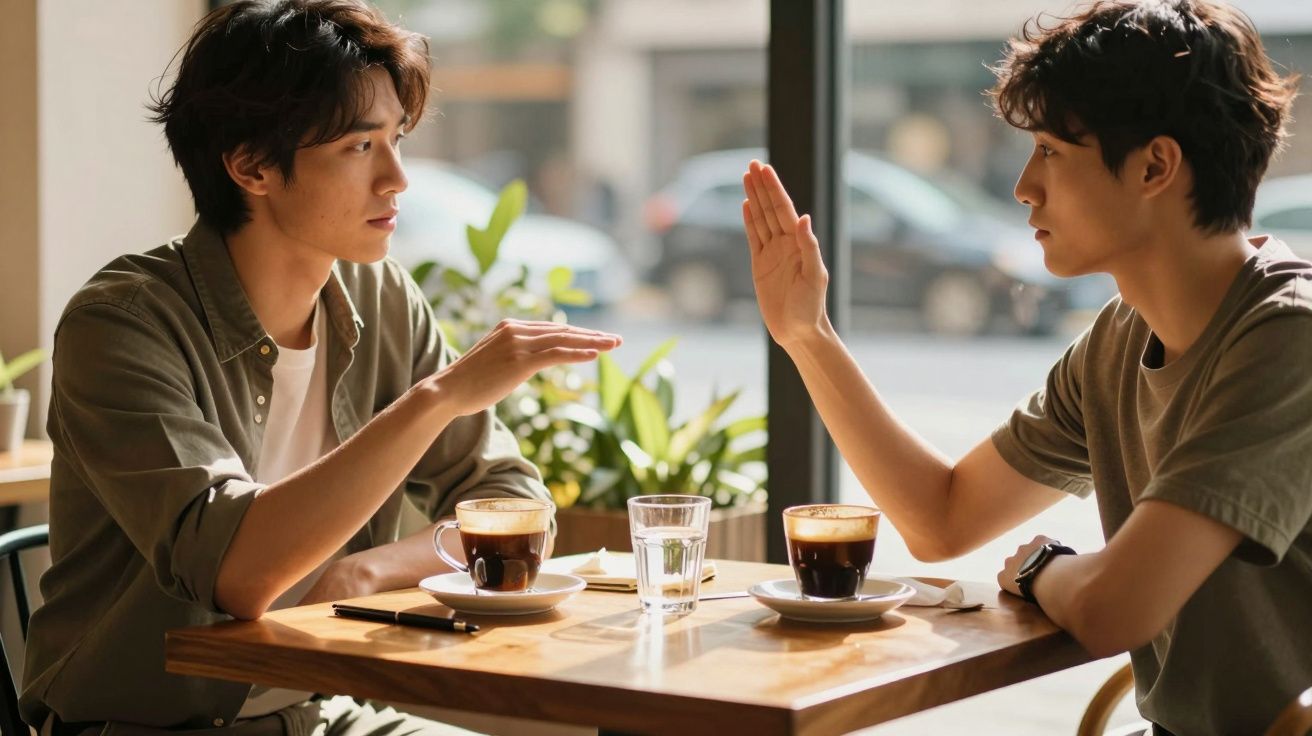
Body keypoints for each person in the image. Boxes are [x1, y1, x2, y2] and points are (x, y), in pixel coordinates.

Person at [20, 1, 621, 733]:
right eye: (360, 148)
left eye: (396, 138)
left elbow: (510, 503)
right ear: (251, 166)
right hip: (148, 725)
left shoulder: (378, 292)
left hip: (319, 710)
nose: (399, 177)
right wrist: (437, 399)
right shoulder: (122, 323)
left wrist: (365, 572)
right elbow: (237, 575)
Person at [740, 1, 1308, 733]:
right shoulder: (1118, 339)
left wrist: (1046, 570)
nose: (1024, 188)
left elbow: (1113, 609)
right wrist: (807, 335)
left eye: (1052, 152)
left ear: (1155, 166)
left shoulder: (1289, 337)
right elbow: (941, 520)